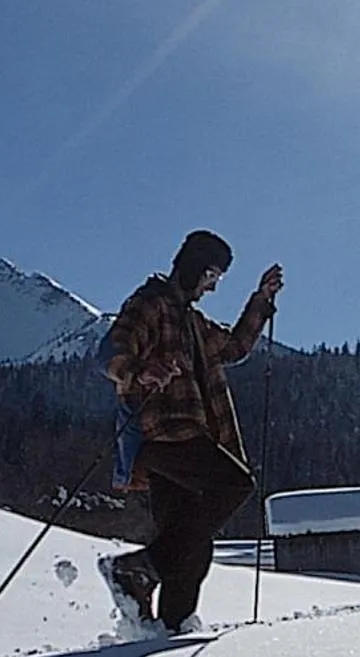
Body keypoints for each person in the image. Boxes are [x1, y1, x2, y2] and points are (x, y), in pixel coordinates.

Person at [98, 229, 282, 635]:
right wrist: (139, 371)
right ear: (198, 268)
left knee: (191, 541)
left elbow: (234, 347)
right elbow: (111, 351)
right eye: (213, 275)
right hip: (164, 434)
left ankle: (170, 625)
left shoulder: (193, 321)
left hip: (182, 439)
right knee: (234, 484)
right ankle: (139, 569)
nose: (213, 286)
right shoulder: (149, 304)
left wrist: (260, 300)